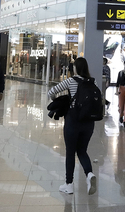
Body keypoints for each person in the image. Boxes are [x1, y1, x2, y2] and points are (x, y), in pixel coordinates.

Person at [47, 57, 98, 195]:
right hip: (88, 123)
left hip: (73, 122)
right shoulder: (93, 82)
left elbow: (51, 92)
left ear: (75, 68)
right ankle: (89, 174)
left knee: (70, 152)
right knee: (82, 151)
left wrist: (58, 102)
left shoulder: (71, 81)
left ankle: (69, 184)